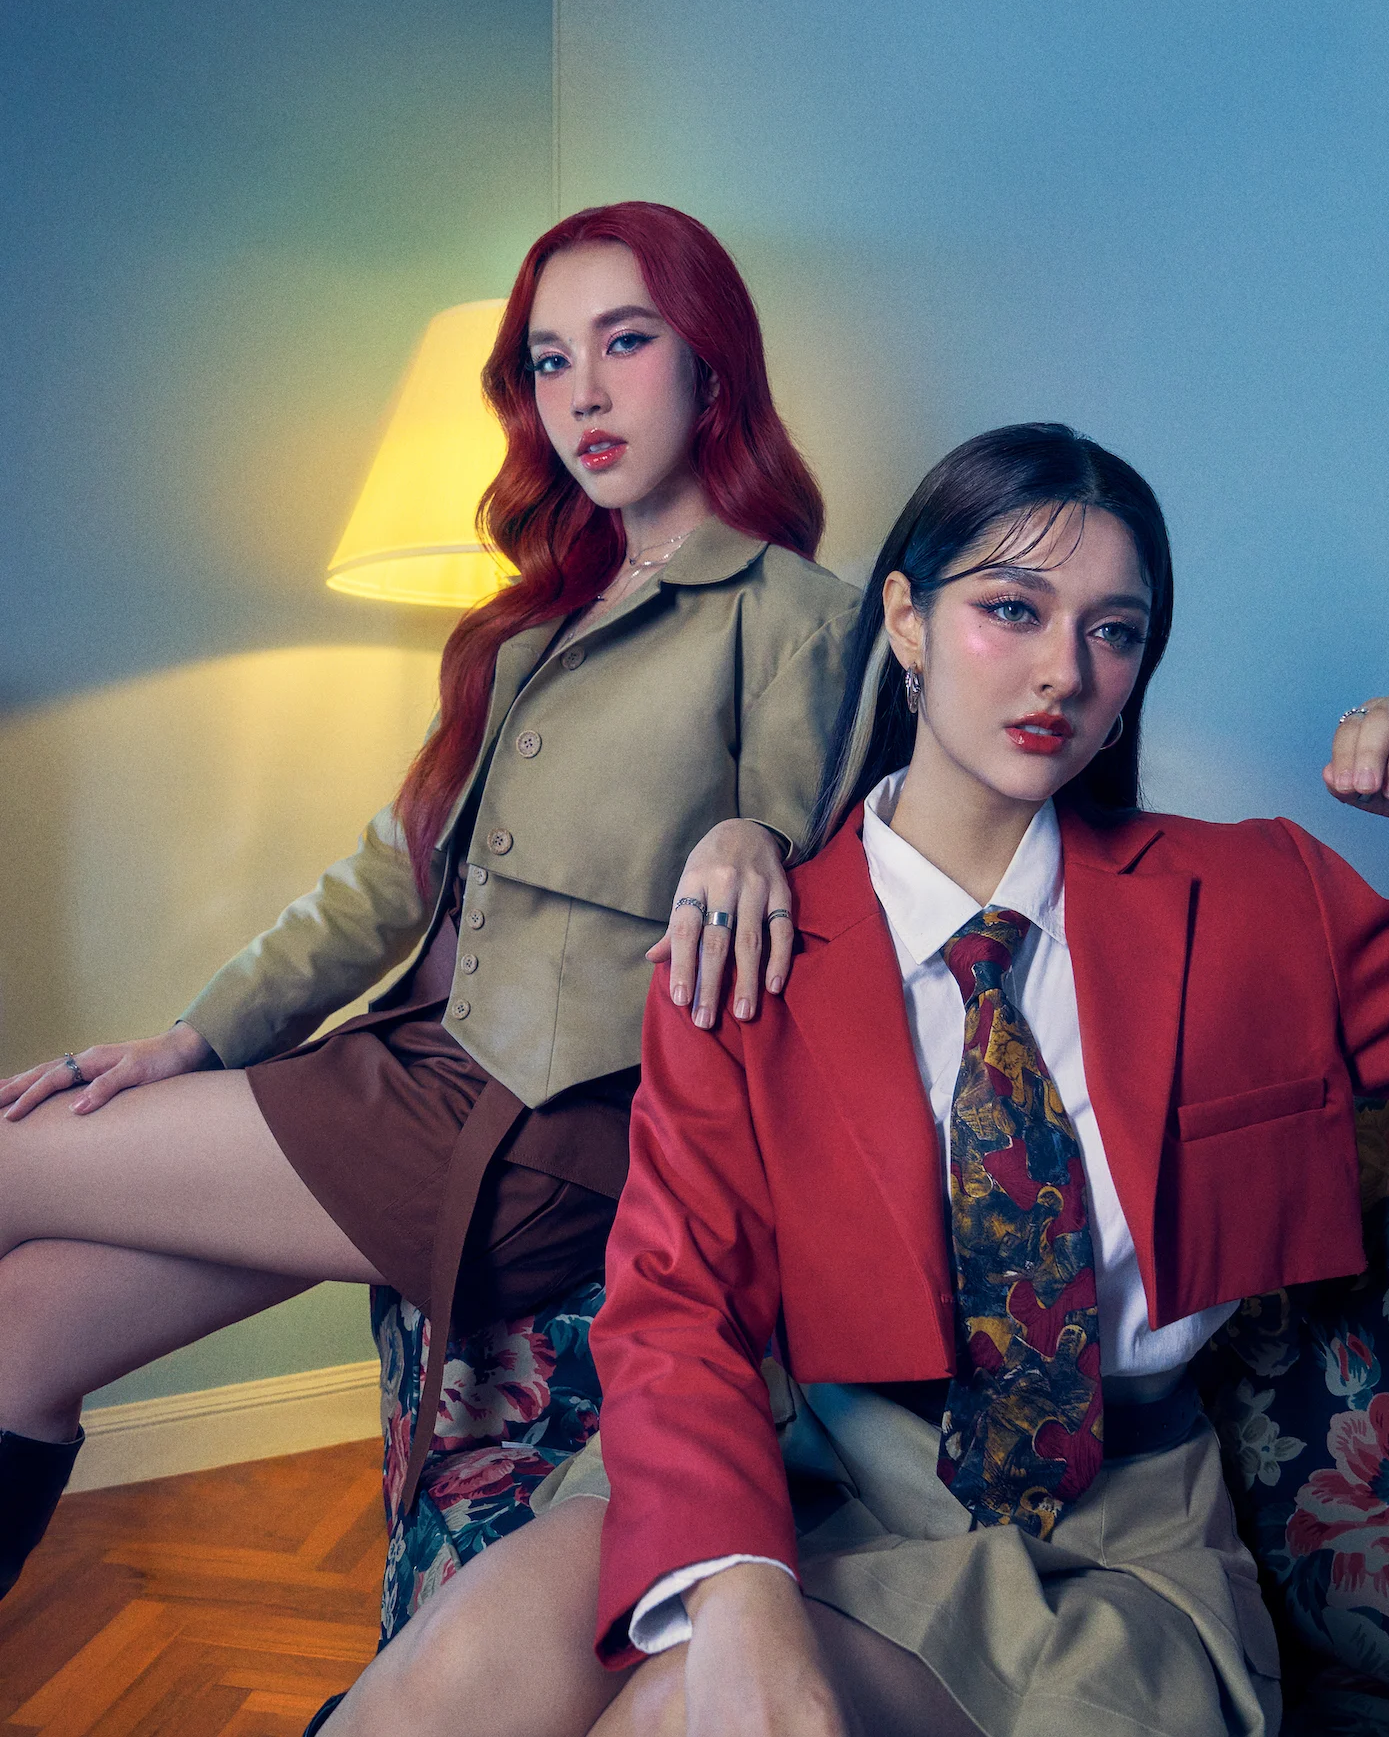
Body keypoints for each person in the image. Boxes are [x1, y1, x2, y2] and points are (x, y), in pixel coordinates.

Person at [326, 422, 1389, 1737]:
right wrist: (739, 1588)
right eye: (1013, 608)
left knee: (673, 1718)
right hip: (791, 1455)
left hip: (1107, 1542)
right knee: (442, 1683)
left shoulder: (1256, 899)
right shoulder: (747, 941)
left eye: (1115, 632)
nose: (1064, 669)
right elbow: (676, 1304)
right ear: (906, 620)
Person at [0, 201, 859, 1602]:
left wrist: (750, 838)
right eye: (550, 360)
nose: (583, 393)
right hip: (413, 1071)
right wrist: (191, 1041)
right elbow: (386, 876)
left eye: (626, 342)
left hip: (549, 1134)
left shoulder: (798, 618)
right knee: (24, 1333)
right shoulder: (535, 619)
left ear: (711, 363)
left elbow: (795, 857)